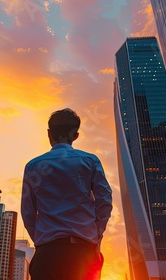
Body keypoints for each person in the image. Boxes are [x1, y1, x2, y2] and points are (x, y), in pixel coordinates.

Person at [21, 108, 113, 280]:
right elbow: (104, 201)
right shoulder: (90, 161)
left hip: (47, 255)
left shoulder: (33, 166)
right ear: (75, 135)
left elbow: (28, 213)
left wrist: (42, 241)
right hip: (83, 252)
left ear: (49, 134)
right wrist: (95, 235)